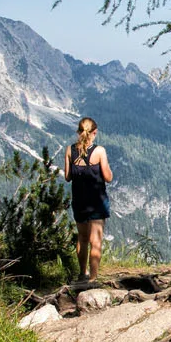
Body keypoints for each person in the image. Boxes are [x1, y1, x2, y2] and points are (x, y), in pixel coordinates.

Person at [64, 116, 113, 282]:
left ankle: (82, 273)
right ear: (95, 132)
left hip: (79, 202)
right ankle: (93, 279)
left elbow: (67, 176)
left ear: (79, 132)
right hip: (97, 202)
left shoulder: (70, 150)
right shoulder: (99, 151)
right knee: (96, 241)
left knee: (82, 239)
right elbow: (107, 177)